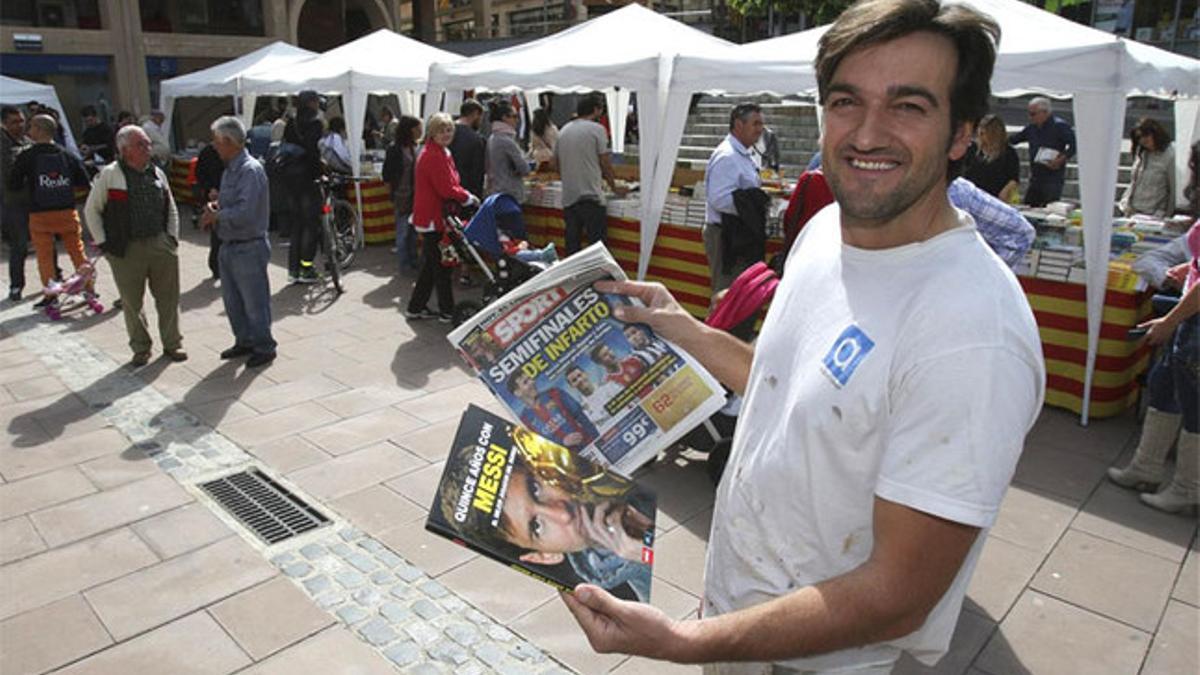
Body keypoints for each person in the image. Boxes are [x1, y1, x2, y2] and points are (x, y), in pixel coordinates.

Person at [560, 2, 1045, 673]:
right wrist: (683, 325)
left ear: (962, 133)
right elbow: (787, 382)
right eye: (847, 101)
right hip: (743, 623)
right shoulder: (824, 234)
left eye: (908, 106)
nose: (868, 133)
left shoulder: (973, 331)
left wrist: (684, 642)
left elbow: (900, 596)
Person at [438, 440, 653, 601]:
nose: (562, 514)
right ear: (545, 557)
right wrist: (646, 551)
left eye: (535, 488)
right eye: (537, 526)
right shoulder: (632, 572)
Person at [1108, 220, 1199, 513]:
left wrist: (1170, 320)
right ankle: (1146, 467)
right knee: (1164, 385)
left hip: (1194, 320)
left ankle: (1189, 489)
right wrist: (1190, 269)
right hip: (1190, 314)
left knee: (1194, 403)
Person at [84, 125, 186, 366]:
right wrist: (104, 244)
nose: (147, 148)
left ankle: (173, 343)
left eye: (148, 143)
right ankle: (141, 347)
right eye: (141, 144)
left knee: (168, 298)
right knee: (132, 302)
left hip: (159, 244)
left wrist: (171, 237)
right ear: (125, 150)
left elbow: (170, 206)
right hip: (126, 249)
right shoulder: (110, 175)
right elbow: (92, 210)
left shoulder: (157, 173)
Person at [199, 116, 277, 369]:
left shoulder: (250, 170)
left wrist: (216, 215)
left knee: (255, 302)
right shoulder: (231, 169)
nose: (214, 146)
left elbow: (246, 211)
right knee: (233, 301)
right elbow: (233, 203)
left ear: (230, 142)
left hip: (248, 245)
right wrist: (217, 203)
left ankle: (264, 345)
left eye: (217, 142)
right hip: (229, 244)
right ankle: (245, 340)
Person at [7, 115, 92, 310]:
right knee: (77, 251)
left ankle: (51, 295)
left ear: (38, 129)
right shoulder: (66, 154)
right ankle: (89, 288)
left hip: (39, 213)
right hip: (66, 211)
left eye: (31, 126)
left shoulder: (26, 156)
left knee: (44, 256)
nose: (28, 130)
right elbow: (83, 182)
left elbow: (14, 184)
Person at [406, 112, 479, 322]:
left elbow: (449, 184)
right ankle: (447, 311)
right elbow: (446, 188)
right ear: (433, 132)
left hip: (434, 216)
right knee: (442, 267)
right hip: (434, 217)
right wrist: (468, 197)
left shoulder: (438, 151)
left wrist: (463, 195)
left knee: (432, 266)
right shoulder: (433, 155)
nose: (446, 134)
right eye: (442, 130)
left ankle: (415, 307)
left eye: (449, 130)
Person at [704, 104, 766, 291]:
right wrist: (753, 202)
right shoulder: (727, 156)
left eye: (761, 124)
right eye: (755, 124)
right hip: (727, 236)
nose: (760, 129)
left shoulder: (745, 153)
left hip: (738, 235)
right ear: (739, 125)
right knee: (727, 295)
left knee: (739, 295)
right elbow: (719, 198)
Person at [554, 93, 625, 254]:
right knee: (597, 248)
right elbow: (605, 162)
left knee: (572, 245)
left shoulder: (563, 130)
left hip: (570, 198)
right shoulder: (597, 129)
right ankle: (597, 278)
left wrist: (568, 176)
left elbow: (555, 163)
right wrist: (614, 186)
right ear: (595, 110)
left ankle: (573, 277)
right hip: (591, 196)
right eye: (601, 109)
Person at [283, 90, 325, 284]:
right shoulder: (315, 122)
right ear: (312, 103)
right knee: (310, 223)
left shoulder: (291, 122)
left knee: (297, 224)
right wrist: (320, 172)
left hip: (290, 178)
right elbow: (312, 152)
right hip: (307, 178)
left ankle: (293, 270)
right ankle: (306, 267)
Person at [507, 370, 599, 451]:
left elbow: (582, 417)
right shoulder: (525, 421)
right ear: (518, 393)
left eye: (530, 378)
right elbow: (541, 449)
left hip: (589, 445)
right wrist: (562, 442)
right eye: (526, 382)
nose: (532, 382)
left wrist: (598, 440)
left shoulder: (555, 393)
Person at [1010, 96, 1076, 206]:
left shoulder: (1059, 126)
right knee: (1029, 206)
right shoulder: (1032, 128)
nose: (1030, 117)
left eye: (1033, 114)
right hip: (1036, 177)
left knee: (1049, 208)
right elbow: (1014, 139)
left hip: (1052, 178)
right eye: (1029, 113)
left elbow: (1074, 145)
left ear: (1045, 112)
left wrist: (1060, 159)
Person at [382, 114, 422, 270]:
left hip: (416, 195)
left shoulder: (415, 147)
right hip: (402, 194)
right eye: (418, 128)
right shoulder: (394, 149)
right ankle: (404, 263)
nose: (420, 131)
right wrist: (392, 194)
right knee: (403, 231)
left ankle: (413, 260)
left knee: (413, 231)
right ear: (410, 129)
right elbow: (387, 175)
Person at [1120, 118, 1176, 219]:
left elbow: (1172, 190)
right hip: (1132, 212)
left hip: (1154, 215)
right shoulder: (1141, 153)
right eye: (1139, 137)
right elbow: (1134, 182)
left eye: (1145, 136)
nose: (1142, 140)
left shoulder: (1170, 156)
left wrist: (1167, 216)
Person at [2, 105, 30, 301]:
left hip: (32, 201)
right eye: (14, 122)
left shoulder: (27, 141)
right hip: (11, 202)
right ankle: (16, 285)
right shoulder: (2, 144)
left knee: (45, 241)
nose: (19, 125)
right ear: (4, 123)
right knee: (19, 245)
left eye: (21, 121)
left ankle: (55, 276)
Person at [962, 113, 1019, 202]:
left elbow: (1014, 178)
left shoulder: (1008, 152)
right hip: (972, 197)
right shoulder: (972, 149)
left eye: (984, 133)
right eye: (980, 132)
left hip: (995, 198)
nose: (980, 136)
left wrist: (1006, 191)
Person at [486, 99, 532, 204]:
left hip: (495, 192)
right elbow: (525, 169)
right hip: (510, 194)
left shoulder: (492, 137)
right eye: (514, 116)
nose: (517, 120)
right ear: (504, 118)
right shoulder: (507, 141)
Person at [194, 141, 224, 278]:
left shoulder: (231, 152)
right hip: (214, 195)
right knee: (217, 232)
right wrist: (209, 188)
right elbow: (200, 173)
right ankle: (216, 266)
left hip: (226, 193)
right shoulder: (208, 152)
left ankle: (220, 266)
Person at [449, 99, 486, 198]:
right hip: (465, 192)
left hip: (445, 189)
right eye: (480, 117)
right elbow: (477, 172)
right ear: (475, 114)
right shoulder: (475, 139)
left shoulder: (444, 132)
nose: (481, 121)